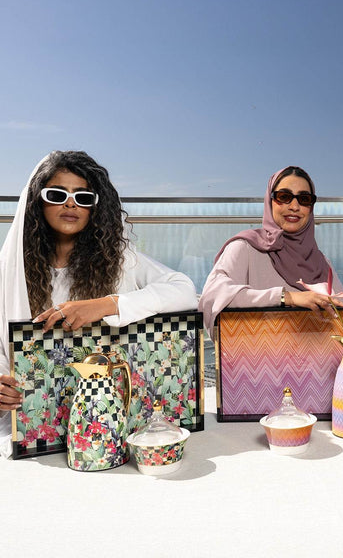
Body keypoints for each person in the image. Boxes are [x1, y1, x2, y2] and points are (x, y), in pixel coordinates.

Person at [0, 151, 199, 457]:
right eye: (57, 195)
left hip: (109, 423)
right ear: (37, 202)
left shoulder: (120, 262)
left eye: (83, 197)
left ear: (95, 208)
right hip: (37, 428)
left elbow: (184, 290)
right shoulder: (9, 272)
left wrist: (107, 305)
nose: (71, 204)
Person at [201, 165, 343, 334]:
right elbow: (212, 297)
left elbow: (342, 317)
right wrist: (287, 298)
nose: (294, 206)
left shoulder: (320, 261)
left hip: (317, 356)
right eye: (284, 197)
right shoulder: (246, 247)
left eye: (304, 199)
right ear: (270, 201)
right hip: (258, 357)